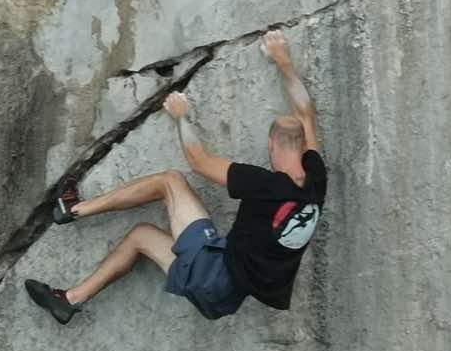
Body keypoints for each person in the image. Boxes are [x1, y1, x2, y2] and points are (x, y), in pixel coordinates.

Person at [25, 29, 326, 325]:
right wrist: (283, 61)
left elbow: (198, 161)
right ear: (302, 149)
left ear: (272, 145)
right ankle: (69, 301)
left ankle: (74, 209)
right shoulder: (315, 181)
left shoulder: (264, 185)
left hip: (213, 271)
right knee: (140, 237)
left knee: (170, 182)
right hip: (225, 297)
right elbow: (306, 115)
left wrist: (181, 116)